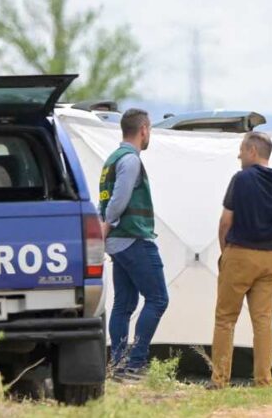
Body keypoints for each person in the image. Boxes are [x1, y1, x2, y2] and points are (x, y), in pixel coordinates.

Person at [210, 132, 272, 389]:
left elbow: (226, 222)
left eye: (242, 150)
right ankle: (264, 380)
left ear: (253, 152)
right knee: (263, 321)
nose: (239, 155)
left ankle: (220, 380)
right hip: (271, 258)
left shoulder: (241, 179)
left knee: (225, 319)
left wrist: (226, 253)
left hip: (240, 254)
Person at [100, 108, 169, 381]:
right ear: (143, 130)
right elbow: (119, 198)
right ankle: (135, 364)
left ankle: (117, 365)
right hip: (133, 238)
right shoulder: (130, 160)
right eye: (149, 129)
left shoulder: (111, 160)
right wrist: (108, 222)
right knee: (158, 299)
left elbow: (105, 198)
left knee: (124, 304)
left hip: (117, 243)